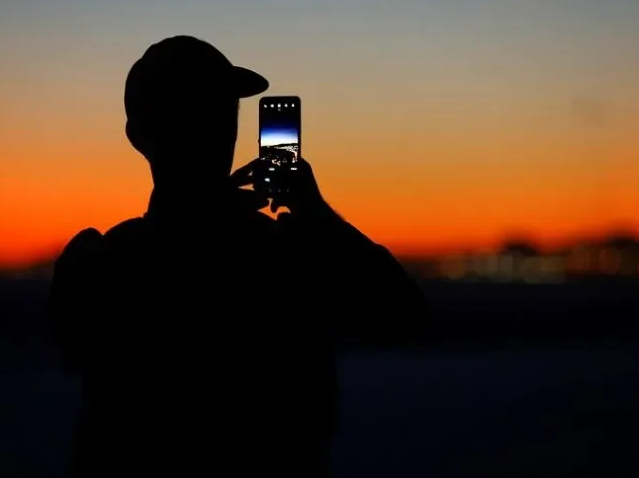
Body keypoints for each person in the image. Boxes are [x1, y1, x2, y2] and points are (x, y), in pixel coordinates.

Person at [48, 35, 425, 477]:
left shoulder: (105, 261)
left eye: (222, 111)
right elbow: (404, 314)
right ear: (143, 135)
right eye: (198, 111)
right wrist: (319, 220)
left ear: (137, 137)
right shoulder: (285, 255)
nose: (216, 127)